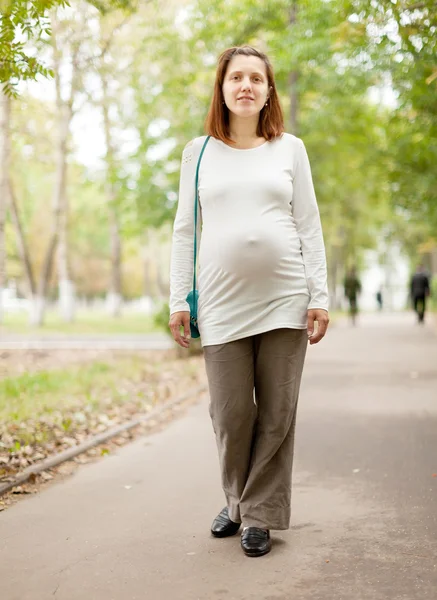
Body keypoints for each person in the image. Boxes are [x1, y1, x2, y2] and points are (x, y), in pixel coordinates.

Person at [169, 45, 329, 558]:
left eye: (256, 79)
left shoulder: (290, 149)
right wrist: (179, 299)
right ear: (221, 87)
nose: (245, 86)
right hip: (220, 304)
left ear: (268, 90)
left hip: (285, 299)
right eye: (236, 77)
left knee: (277, 412)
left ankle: (257, 515)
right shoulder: (198, 153)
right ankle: (236, 500)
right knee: (232, 414)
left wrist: (319, 295)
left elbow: (308, 224)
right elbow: (184, 230)